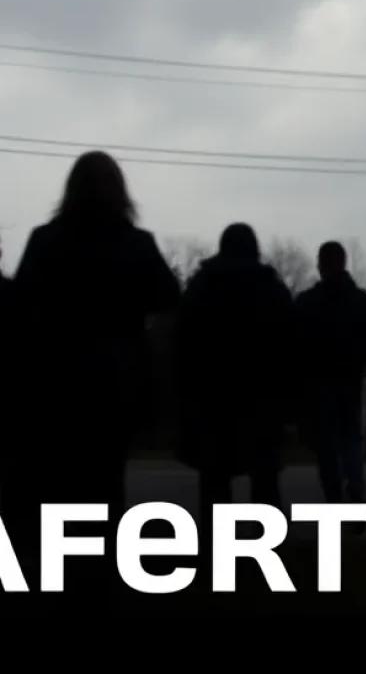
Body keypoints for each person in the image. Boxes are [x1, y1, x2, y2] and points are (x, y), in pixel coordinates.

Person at [8, 151, 181, 596]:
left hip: (58, 378)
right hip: (117, 379)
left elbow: (21, 306)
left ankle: (62, 571)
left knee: (62, 475)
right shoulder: (136, 244)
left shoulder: (46, 240)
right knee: (107, 476)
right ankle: (103, 572)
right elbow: (167, 296)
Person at [173, 222, 294, 549]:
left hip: (213, 397)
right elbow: (290, 343)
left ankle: (215, 548)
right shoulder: (270, 287)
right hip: (261, 397)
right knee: (265, 477)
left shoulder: (203, 285)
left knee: (214, 478)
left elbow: (181, 341)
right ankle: (269, 549)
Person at [295, 241, 366, 511]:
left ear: (320, 265)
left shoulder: (307, 303)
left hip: (318, 383)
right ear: (344, 263)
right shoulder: (360, 300)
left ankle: (334, 499)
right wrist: (359, 359)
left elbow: (293, 341)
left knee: (325, 446)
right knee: (350, 437)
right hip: (348, 378)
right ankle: (355, 484)